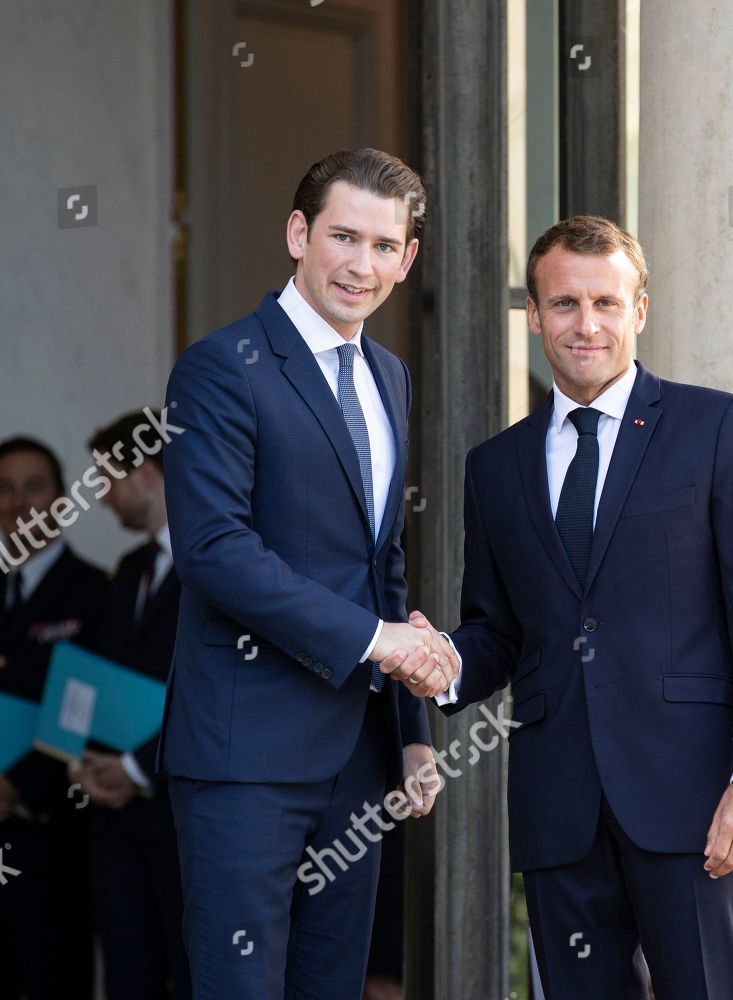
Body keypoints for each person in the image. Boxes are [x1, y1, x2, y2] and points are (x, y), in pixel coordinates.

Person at [422, 215, 733, 999]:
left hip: (695, 803)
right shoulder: (495, 467)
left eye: (606, 302)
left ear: (640, 310)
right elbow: (500, 628)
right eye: (564, 305)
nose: (585, 324)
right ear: (534, 315)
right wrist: (444, 661)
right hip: (560, 808)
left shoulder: (715, 427)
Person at [161, 147, 453, 998]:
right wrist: (378, 641)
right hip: (244, 755)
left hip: (355, 759)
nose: (361, 265)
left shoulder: (388, 376)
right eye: (343, 237)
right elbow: (214, 549)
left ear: (408, 259)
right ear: (298, 233)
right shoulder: (222, 367)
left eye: (383, 245)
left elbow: (381, 564)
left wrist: (409, 733)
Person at [76, 409, 192, 998]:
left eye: (108, 480)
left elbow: (213, 692)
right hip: (117, 830)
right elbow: (108, 685)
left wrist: (135, 767)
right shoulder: (127, 572)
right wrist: (85, 758)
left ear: (146, 472)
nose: (103, 499)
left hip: (188, 825)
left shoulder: (215, 568)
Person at [0, 435, 106, 999]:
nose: (19, 503)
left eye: (33, 487)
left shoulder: (96, 592)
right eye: (5, 489)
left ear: (62, 500)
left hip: (58, 840)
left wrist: (17, 788)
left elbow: (91, 714)